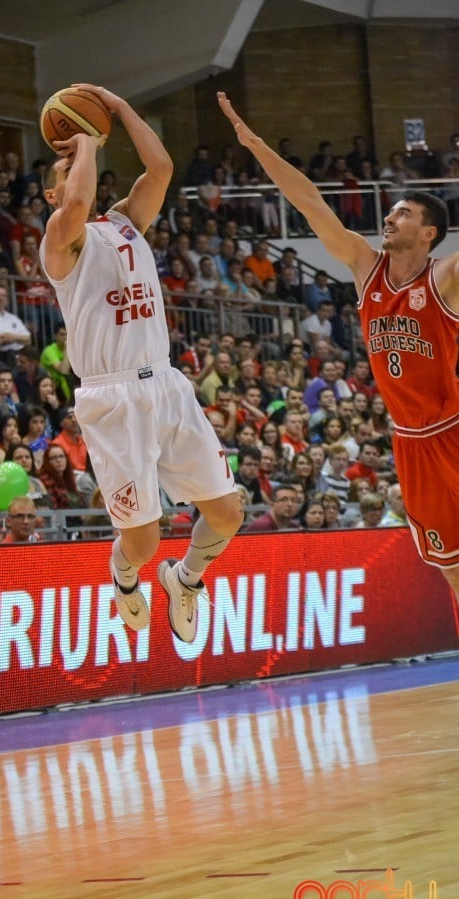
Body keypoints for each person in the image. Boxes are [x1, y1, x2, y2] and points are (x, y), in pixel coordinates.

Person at [219, 90, 459, 600]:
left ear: (429, 231)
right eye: (390, 212)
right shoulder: (363, 266)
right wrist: (257, 146)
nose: (389, 218)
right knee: (452, 569)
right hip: (408, 442)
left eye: (403, 213)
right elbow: (309, 202)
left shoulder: (446, 276)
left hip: (452, 427)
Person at [39, 85, 241, 641]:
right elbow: (78, 203)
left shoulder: (125, 222)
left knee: (227, 514)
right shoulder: (60, 239)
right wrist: (85, 144)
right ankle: (125, 575)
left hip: (167, 384)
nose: (77, 166)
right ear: (52, 196)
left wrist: (119, 108)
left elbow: (161, 166)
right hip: (111, 397)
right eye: (66, 168)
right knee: (144, 542)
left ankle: (188, 578)